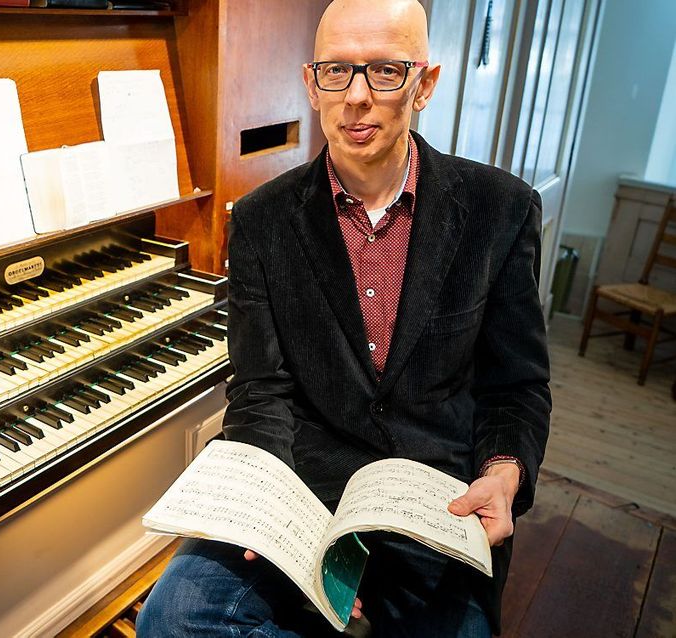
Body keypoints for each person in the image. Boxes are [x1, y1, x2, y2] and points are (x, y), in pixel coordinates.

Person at [136, 0, 551, 636]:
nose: (356, 97)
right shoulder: (261, 222)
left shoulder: (502, 210)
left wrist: (503, 473)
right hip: (306, 494)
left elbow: (516, 387)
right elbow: (260, 391)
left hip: (437, 504)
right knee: (174, 619)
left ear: (425, 84)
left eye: (385, 72)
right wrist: (261, 511)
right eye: (337, 72)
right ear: (311, 83)